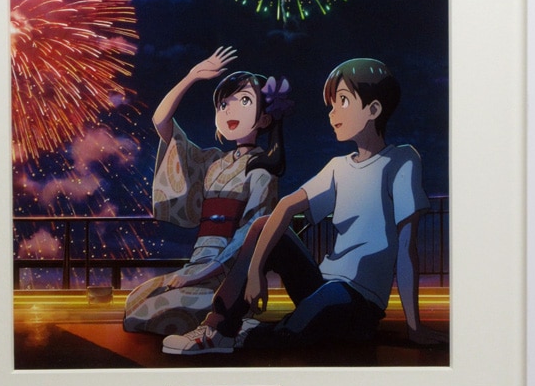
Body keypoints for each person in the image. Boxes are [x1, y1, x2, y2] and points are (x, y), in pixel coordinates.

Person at [162, 57, 447, 354]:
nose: (332, 113)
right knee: (264, 225)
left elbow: (406, 246)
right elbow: (285, 207)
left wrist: (414, 327)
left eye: (343, 101)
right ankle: (218, 327)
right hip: (323, 284)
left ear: (373, 109)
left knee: (294, 329)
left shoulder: (401, 160)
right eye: (331, 105)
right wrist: (256, 269)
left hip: (359, 300)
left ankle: (249, 334)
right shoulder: (338, 166)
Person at [123, 46, 292, 336]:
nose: (230, 110)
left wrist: (203, 272)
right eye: (223, 104)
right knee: (134, 302)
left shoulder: (261, 172)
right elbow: (161, 122)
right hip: (197, 265)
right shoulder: (212, 163)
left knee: (149, 314)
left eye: (244, 101)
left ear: (265, 119)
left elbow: (249, 235)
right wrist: (191, 76)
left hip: (228, 273)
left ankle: (233, 322)